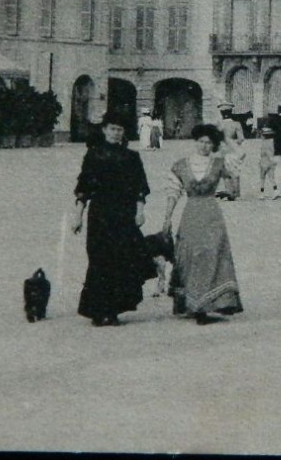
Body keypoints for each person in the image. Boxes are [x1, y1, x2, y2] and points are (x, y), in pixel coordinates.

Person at [71, 113, 151, 327]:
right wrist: (77, 215)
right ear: (105, 129)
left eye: (120, 130)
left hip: (124, 214)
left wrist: (140, 211)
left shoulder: (132, 157)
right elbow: (84, 187)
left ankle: (114, 310)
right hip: (100, 214)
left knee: (121, 260)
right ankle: (97, 311)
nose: (116, 133)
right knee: (99, 259)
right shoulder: (93, 155)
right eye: (113, 129)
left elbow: (140, 187)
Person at [162, 124, 243, 324]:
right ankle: (191, 304)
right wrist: (167, 218)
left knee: (212, 254)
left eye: (208, 142)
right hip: (190, 214)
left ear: (213, 145)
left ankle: (207, 306)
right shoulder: (181, 165)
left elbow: (240, 154)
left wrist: (225, 138)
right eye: (201, 141)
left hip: (211, 214)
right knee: (190, 256)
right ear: (195, 142)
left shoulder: (219, 163)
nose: (204, 146)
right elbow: (173, 192)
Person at [215, 103, 245, 200]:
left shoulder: (218, 125)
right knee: (235, 171)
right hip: (234, 151)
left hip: (223, 151)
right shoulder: (236, 124)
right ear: (231, 112)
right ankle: (236, 192)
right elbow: (241, 139)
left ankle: (229, 191)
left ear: (221, 113)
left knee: (225, 173)